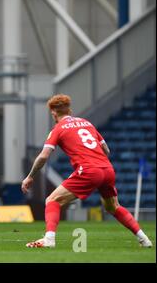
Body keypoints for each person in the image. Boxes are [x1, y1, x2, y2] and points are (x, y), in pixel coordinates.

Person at [21, 94, 152, 248]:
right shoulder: (86, 123)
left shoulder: (58, 129)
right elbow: (106, 150)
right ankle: (144, 239)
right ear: (69, 110)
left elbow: (43, 157)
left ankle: (49, 239)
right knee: (113, 206)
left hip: (89, 170)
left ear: (54, 113)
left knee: (52, 200)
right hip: (107, 169)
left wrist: (30, 176)